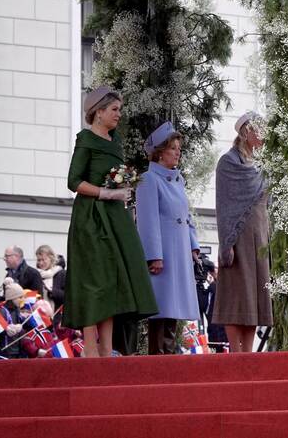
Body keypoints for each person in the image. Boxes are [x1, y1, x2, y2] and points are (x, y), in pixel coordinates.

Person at [65, 86, 158, 357]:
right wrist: (106, 192)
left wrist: (123, 190)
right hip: (91, 219)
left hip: (115, 218)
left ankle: (107, 349)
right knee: (93, 280)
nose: (119, 114)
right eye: (115, 109)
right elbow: (73, 181)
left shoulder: (114, 140)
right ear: (98, 112)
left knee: (111, 282)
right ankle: (90, 348)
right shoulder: (85, 140)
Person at [135, 122, 201, 355]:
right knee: (162, 308)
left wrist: (194, 246)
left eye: (178, 148)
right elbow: (147, 221)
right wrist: (153, 256)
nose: (177, 152)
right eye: (173, 148)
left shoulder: (178, 180)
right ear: (160, 151)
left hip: (179, 252)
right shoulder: (149, 180)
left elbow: (186, 215)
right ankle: (159, 357)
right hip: (164, 255)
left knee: (174, 308)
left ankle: (169, 354)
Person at [213, 112, 273, 353]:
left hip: (260, 235)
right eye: (259, 130)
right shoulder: (228, 163)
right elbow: (225, 205)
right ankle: (235, 352)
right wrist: (227, 242)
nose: (263, 135)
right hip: (237, 237)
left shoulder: (261, 165)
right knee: (236, 293)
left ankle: (248, 352)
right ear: (246, 132)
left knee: (254, 294)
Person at [36, 245, 65, 311]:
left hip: (57, 316)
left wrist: (52, 292)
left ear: (51, 258)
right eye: (39, 260)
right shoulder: (36, 274)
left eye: (43, 260)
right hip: (40, 315)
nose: (41, 263)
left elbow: (69, 296)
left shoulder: (61, 273)